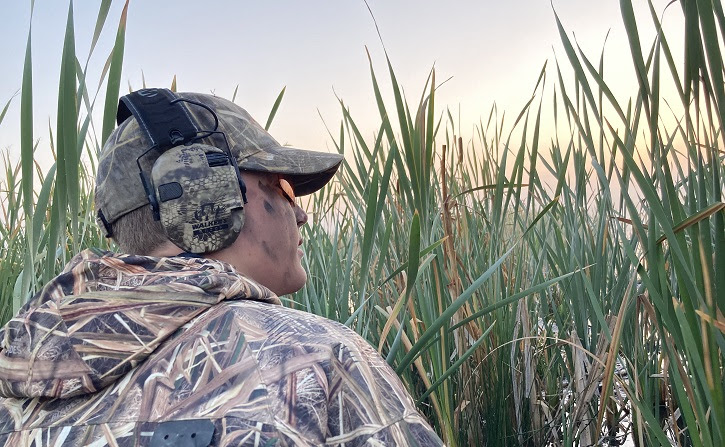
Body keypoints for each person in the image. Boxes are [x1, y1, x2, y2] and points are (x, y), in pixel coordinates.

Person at [0, 89, 444, 446]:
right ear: (204, 195)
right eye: (285, 187)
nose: (302, 214)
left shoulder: (17, 373)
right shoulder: (317, 359)